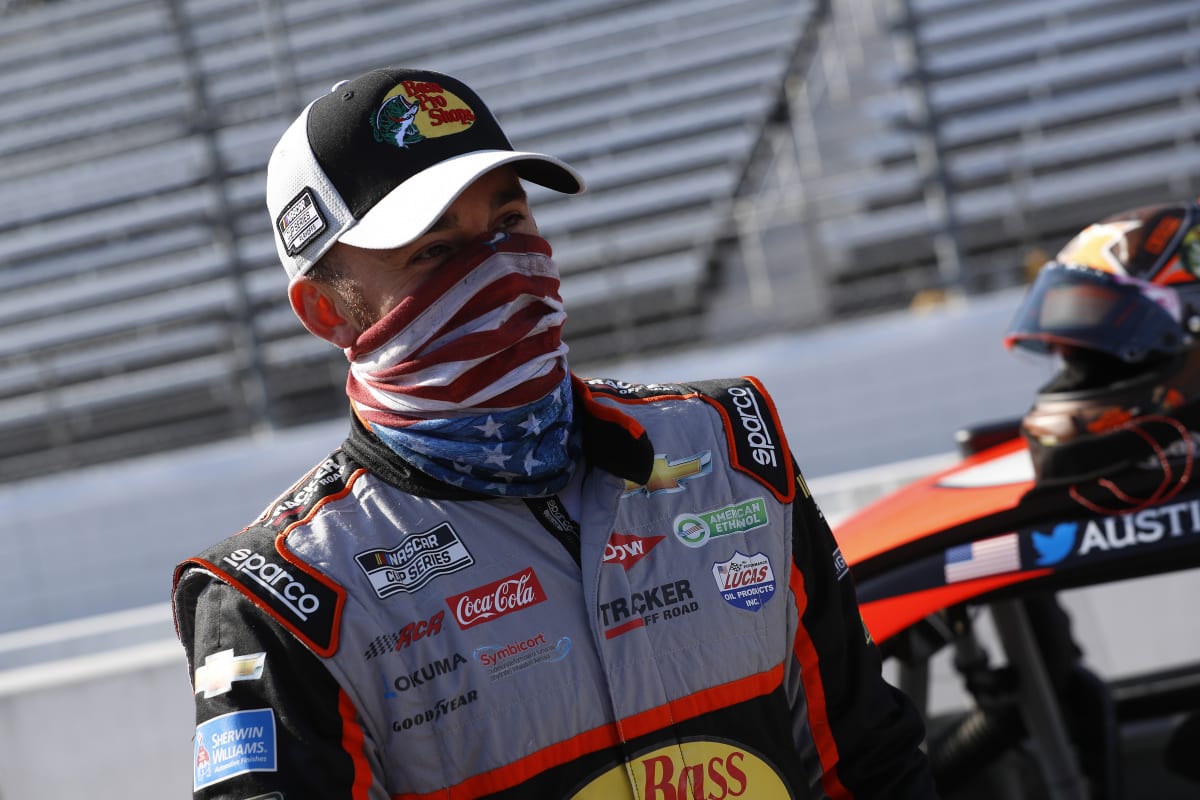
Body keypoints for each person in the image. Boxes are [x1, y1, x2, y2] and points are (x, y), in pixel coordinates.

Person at [172, 66, 938, 799]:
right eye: (435, 252)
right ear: (327, 311)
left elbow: (872, 764)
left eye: (510, 221)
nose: (500, 271)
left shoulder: (732, 448)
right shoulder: (286, 600)